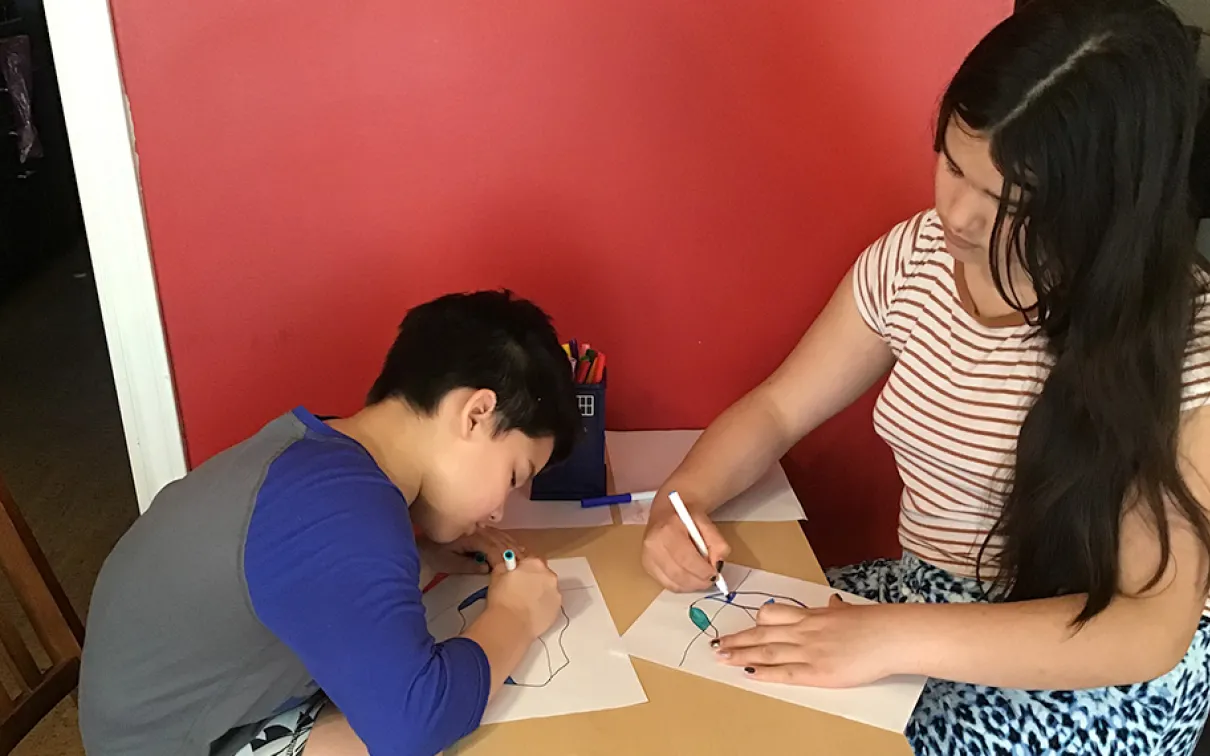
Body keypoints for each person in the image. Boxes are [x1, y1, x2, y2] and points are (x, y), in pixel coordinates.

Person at [639, 1, 1210, 753]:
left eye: (1011, 201)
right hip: (919, 601)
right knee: (726, 686)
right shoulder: (915, 258)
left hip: (1085, 668)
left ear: (1104, 207)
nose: (958, 215)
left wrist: (887, 638)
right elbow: (778, 408)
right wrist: (681, 500)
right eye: (951, 162)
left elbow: (1144, 627)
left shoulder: (1182, 342)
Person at [78, 290, 581, 756]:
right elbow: (414, 724)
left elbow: (306, 580)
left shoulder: (319, 456)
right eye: (514, 475)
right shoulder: (341, 512)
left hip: (196, 710)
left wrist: (421, 559)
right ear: (476, 414)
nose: (499, 511)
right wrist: (515, 616)